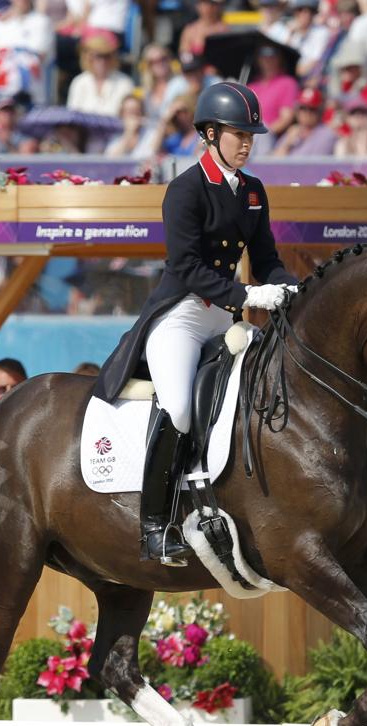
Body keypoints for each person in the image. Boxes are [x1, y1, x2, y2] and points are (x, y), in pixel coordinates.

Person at [93, 81, 298, 565]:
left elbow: (266, 258)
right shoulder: (185, 190)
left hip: (224, 316)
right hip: (182, 319)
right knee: (181, 407)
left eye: (252, 135)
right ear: (209, 133)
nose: (247, 143)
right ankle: (153, 527)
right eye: (237, 134)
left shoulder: (252, 191)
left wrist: (289, 288)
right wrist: (248, 294)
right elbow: (185, 267)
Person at [66, 32, 132, 117]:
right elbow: (72, 115)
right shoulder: (79, 82)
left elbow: (128, 116)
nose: (102, 61)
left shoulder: (124, 82)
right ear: (88, 58)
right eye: (98, 56)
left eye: (106, 56)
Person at [248, 45, 300, 137]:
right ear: (258, 59)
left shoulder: (287, 83)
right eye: (263, 56)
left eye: (272, 56)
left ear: (279, 58)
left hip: (269, 137)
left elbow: (286, 118)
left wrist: (262, 135)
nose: (268, 60)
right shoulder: (251, 86)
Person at [272, 86, 337, 155]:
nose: (307, 113)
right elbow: (274, 161)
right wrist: (288, 144)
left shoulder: (326, 134)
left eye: (312, 109)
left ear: (319, 111)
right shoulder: (292, 131)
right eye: (302, 108)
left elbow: (314, 163)